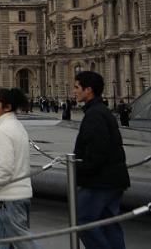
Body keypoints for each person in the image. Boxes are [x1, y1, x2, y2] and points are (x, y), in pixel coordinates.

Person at [72, 71, 129, 249]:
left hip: (100, 182)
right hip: (112, 179)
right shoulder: (100, 111)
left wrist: (80, 170)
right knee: (108, 224)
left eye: (76, 87)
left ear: (88, 90)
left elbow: (97, 152)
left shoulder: (95, 115)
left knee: (84, 222)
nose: (74, 91)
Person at [0, 88, 40, 249]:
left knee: (23, 241)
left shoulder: (5, 130)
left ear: (7, 107)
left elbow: (5, 166)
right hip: (10, 195)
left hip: (9, 196)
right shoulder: (16, 126)